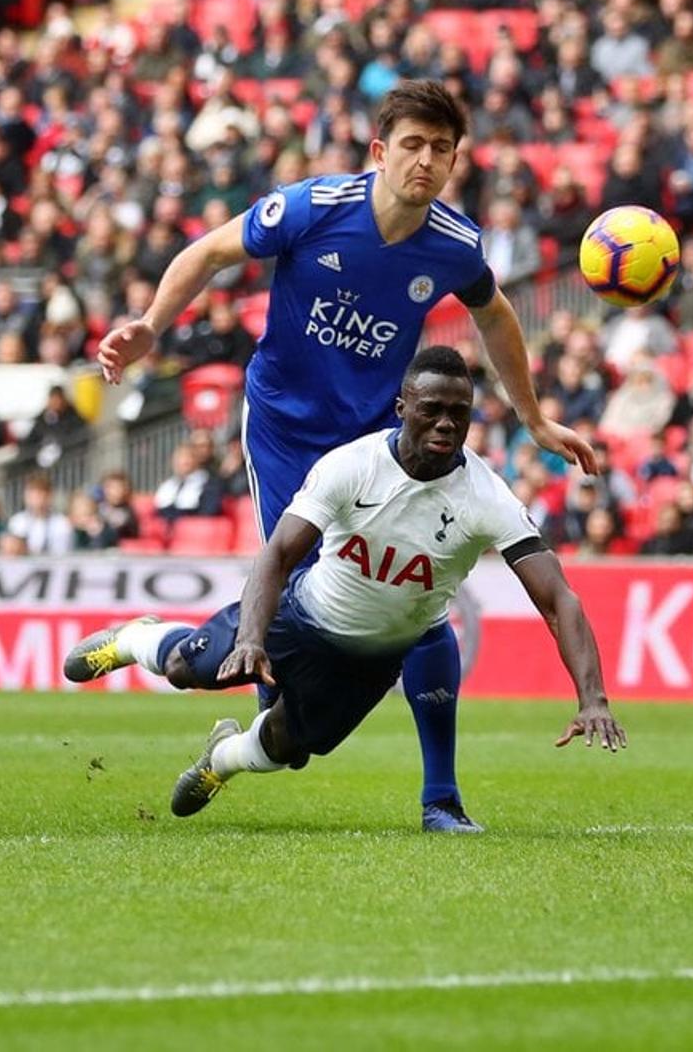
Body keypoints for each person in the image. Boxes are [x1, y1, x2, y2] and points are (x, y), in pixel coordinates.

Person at [94, 79, 598, 835]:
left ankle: (441, 801)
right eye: (412, 146)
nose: (425, 161)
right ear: (379, 152)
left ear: (455, 161)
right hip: (285, 429)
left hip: (377, 437)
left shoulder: (455, 245)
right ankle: (149, 642)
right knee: (283, 651)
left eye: (441, 149)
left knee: (423, 603)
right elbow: (211, 251)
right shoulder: (313, 208)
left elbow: (493, 316)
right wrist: (153, 324)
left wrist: (534, 418)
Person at [62, 348, 626, 819]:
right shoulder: (352, 465)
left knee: (288, 748)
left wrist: (592, 698)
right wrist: (254, 638)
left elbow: (558, 598)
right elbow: (279, 554)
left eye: (460, 412)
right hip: (298, 617)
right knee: (188, 669)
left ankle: (221, 759)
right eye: (432, 409)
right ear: (402, 407)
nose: (447, 423)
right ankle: (137, 638)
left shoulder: (488, 498)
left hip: (367, 662)